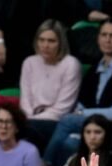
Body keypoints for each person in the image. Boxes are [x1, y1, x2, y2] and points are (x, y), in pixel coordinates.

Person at [44, 17, 112, 166]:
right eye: (103, 35)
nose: (107, 40)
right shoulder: (94, 68)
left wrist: (83, 113)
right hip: (90, 124)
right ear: (98, 38)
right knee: (70, 143)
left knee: (67, 120)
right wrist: (82, 112)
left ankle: (44, 165)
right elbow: (81, 102)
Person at [19, 19, 82, 150]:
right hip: (29, 119)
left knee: (25, 133)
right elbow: (25, 101)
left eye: (51, 41)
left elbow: (62, 109)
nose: (45, 45)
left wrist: (31, 120)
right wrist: (28, 118)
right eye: (41, 40)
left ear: (61, 43)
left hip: (55, 121)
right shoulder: (29, 62)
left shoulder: (71, 64)